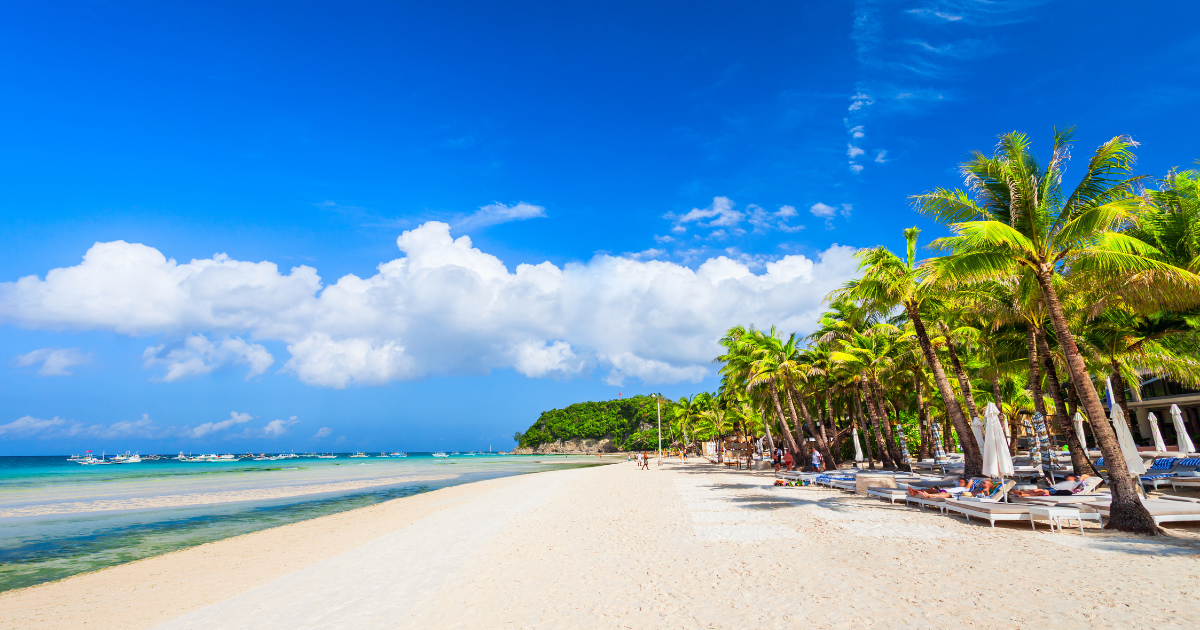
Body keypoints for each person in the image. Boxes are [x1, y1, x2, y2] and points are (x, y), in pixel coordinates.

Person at [1012, 475, 1089, 497]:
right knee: (1036, 490)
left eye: (1068, 476)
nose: (1066, 477)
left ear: (1072, 477)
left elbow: (1084, 476)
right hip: (1052, 488)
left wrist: (1086, 476)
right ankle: (1022, 493)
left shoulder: (1075, 483)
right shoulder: (1065, 482)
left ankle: (1023, 494)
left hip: (1056, 491)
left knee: (1040, 492)